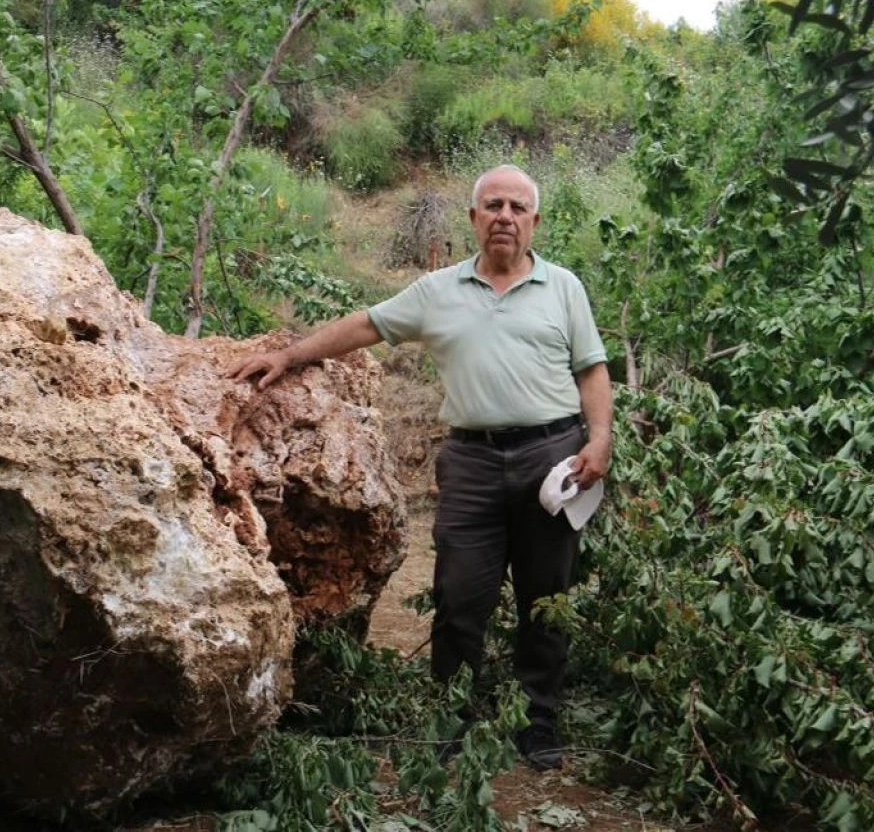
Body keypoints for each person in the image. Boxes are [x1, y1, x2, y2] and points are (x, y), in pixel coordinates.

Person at [226, 165, 613, 770]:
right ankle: (451, 719)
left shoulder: (564, 287)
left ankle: (539, 723)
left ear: (534, 220)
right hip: (472, 462)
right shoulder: (437, 290)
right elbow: (366, 326)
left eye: (517, 207)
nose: (504, 216)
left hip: (551, 457)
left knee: (546, 600)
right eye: (492, 205)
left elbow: (591, 369)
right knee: (459, 597)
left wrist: (600, 439)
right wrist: (290, 354)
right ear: (473, 219)